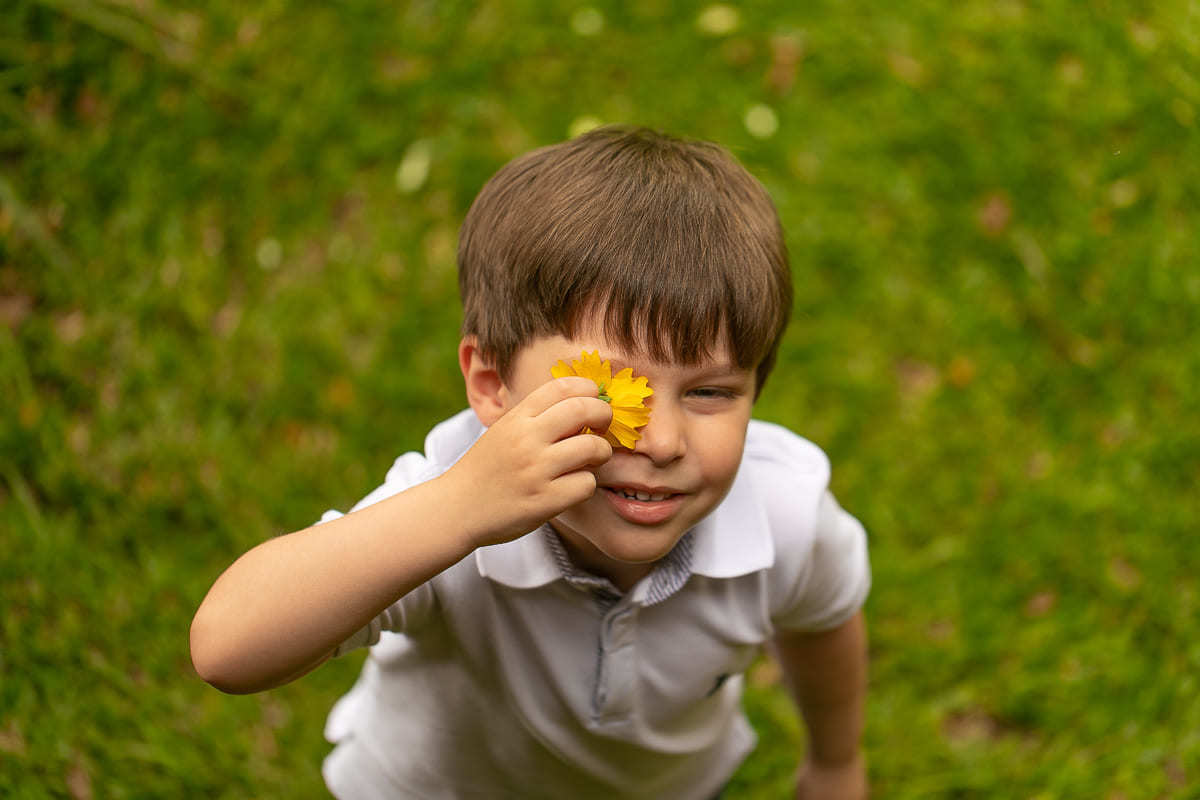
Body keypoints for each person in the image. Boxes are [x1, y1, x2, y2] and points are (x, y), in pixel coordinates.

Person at [190, 126, 871, 799]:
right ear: (492, 385)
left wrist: (836, 763)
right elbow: (226, 649)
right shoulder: (450, 509)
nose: (662, 442)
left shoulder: (784, 513)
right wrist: (457, 511)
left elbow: (823, 622)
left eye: (710, 392)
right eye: (609, 392)